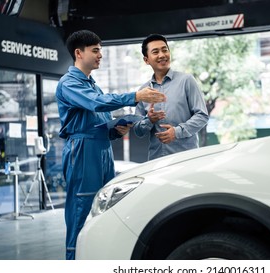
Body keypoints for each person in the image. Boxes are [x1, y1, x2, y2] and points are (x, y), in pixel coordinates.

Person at [55, 30, 165, 260]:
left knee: (107, 206)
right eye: (95, 51)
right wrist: (135, 96)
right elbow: (96, 104)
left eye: (100, 51)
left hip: (102, 148)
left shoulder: (92, 84)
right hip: (83, 151)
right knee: (81, 208)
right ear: (79, 53)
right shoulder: (69, 84)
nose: (100, 56)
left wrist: (116, 130)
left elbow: (98, 117)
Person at [133, 34, 209, 160]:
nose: (162, 55)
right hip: (156, 161)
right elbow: (138, 131)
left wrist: (177, 132)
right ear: (146, 60)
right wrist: (149, 120)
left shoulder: (186, 81)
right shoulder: (143, 91)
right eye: (155, 52)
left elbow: (202, 116)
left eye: (165, 50)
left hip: (186, 159)